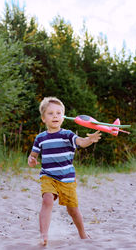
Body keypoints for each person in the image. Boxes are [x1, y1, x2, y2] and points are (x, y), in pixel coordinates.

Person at [28, 97, 101, 246]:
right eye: (50, 113)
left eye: (58, 113)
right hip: (48, 176)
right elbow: (33, 155)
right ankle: (43, 235)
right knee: (47, 200)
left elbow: (81, 141)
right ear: (43, 118)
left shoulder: (67, 134)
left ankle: (82, 234)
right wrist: (32, 160)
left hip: (67, 178)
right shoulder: (40, 138)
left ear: (63, 116)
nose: (55, 116)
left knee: (73, 210)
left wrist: (90, 140)